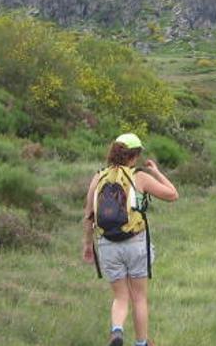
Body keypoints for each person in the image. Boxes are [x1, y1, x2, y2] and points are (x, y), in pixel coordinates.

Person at [83, 133, 179, 346]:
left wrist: (88, 244)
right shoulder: (139, 176)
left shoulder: (98, 177)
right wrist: (156, 172)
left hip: (107, 244)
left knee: (120, 297)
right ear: (134, 156)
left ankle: (117, 331)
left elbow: (89, 215)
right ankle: (141, 343)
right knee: (139, 298)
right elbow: (173, 194)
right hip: (136, 243)